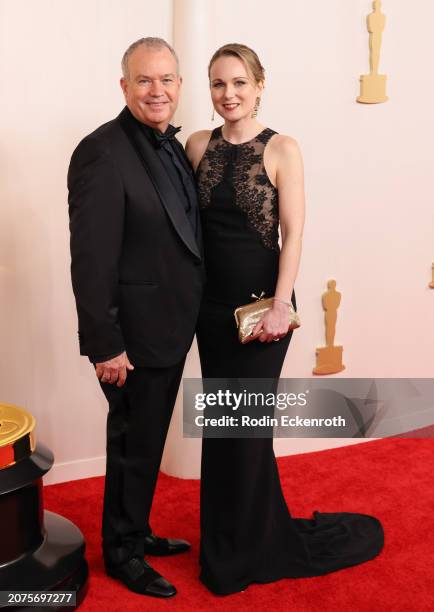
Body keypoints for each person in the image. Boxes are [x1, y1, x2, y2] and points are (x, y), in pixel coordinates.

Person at [186, 43, 384, 596]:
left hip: (260, 310)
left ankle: (248, 550)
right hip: (211, 310)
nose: (229, 94)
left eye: (239, 83)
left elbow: (292, 232)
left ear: (260, 85)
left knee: (247, 431)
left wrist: (280, 304)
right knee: (222, 427)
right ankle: (231, 538)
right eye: (218, 84)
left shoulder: (283, 149)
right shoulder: (197, 145)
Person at [68, 37, 204, 598]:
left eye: (167, 79)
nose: (158, 90)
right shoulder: (101, 151)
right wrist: (105, 343)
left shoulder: (170, 146)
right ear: (124, 86)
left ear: (179, 84)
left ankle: (137, 530)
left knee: (146, 443)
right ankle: (122, 554)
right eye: (145, 80)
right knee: (133, 444)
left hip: (170, 326)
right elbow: (91, 257)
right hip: (131, 339)